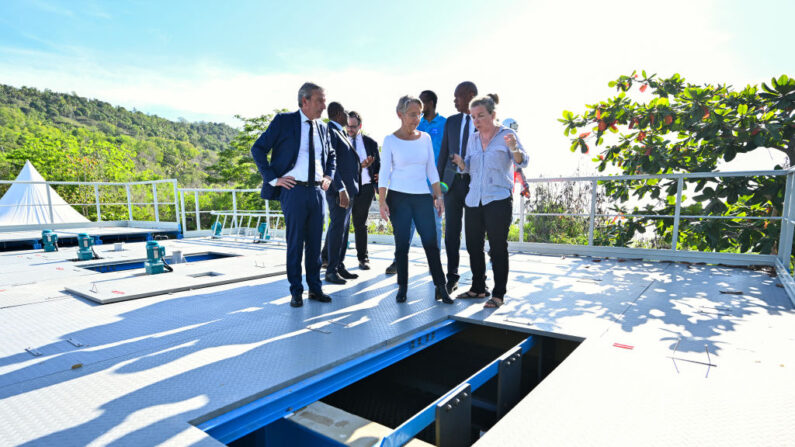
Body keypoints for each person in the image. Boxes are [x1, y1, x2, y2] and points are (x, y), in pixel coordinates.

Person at [250, 82, 335, 308]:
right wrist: (273, 178)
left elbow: (331, 155)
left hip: (317, 191)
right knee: (295, 242)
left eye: (325, 101)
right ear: (304, 100)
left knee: (316, 244)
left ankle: (315, 288)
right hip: (293, 190)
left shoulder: (323, 128)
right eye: (320, 101)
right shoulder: (284, 121)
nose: (324, 106)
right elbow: (257, 148)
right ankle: (296, 290)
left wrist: (328, 176)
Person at [450, 94, 528, 308]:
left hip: (498, 199)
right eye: (473, 116)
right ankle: (478, 288)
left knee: (497, 248)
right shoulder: (473, 138)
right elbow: (468, 166)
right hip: (474, 199)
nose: (476, 121)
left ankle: (498, 294)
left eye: (481, 115)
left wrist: (514, 148)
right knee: (473, 245)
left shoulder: (507, 134)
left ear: (493, 115)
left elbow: (522, 161)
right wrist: (460, 163)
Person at [378, 95, 453, 304]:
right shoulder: (390, 140)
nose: (417, 118)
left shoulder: (426, 138)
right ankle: (402, 287)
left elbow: (432, 169)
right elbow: (384, 173)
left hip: (422, 197)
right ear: (400, 115)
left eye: (419, 114)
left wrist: (438, 196)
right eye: (412, 114)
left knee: (431, 243)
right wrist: (382, 201)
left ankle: (441, 287)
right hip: (398, 197)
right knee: (402, 245)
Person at [384, 90, 445, 274]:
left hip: (432, 184)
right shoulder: (409, 129)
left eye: (422, 105)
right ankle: (398, 261)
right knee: (406, 226)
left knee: (434, 224)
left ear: (431, 103)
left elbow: (441, 156)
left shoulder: (444, 124)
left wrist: (439, 188)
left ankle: (435, 262)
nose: (418, 114)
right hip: (409, 186)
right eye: (413, 112)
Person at [437, 81, 478, 294]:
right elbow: (443, 155)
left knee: (474, 234)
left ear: (470, 95)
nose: (454, 101)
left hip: (474, 185)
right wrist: (438, 191)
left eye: (458, 96)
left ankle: (478, 281)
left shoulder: (482, 121)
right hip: (451, 186)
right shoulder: (451, 122)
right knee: (451, 233)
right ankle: (451, 277)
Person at [321, 102, 361, 284]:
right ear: (338, 114)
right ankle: (331, 270)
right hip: (340, 191)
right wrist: (341, 189)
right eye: (345, 112)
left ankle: (339, 265)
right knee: (338, 229)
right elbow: (330, 163)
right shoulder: (331, 131)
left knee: (343, 230)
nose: (347, 115)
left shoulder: (340, 132)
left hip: (348, 189)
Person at [346, 110, 379, 270]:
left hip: (365, 188)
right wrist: (360, 165)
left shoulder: (371, 143)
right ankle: (329, 258)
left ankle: (363, 259)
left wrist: (377, 178)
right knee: (340, 223)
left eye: (353, 126)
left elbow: (378, 166)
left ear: (360, 126)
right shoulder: (341, 140)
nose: (350, 129)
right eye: (348, 126)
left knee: (360, 224)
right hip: (345, 188)